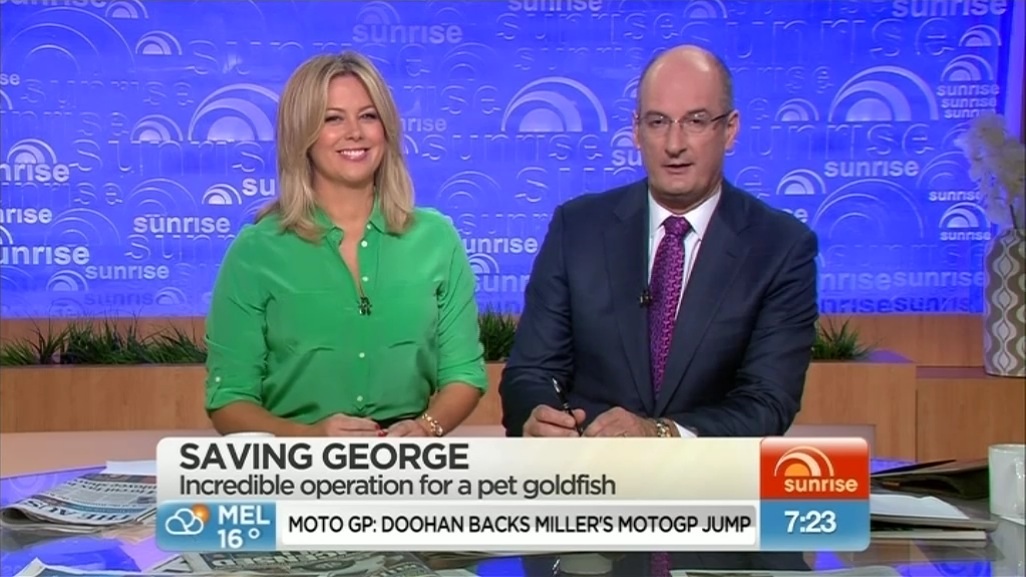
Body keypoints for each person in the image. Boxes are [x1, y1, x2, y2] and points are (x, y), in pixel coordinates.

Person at [500, 45, 817, 572]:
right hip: (587, 525)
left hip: (721, 521)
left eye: (696, 121)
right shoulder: (578, 229)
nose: (674, 144)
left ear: (730, 129)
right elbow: (531, 371)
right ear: (636, 130)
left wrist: (662, 433)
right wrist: (536, 417)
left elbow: (768, 402)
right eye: (658, 122)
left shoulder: (780, 247)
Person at [204, 52, 487, 438]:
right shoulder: (257, 251)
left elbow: (464, 374)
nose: (355, 132)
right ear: (302, 134)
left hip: (408, 462)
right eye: (332, 119)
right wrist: (311, 438)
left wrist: (425, 428)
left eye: (368, 116)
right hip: (296, 464)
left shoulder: (436, 238)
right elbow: (229, 401)